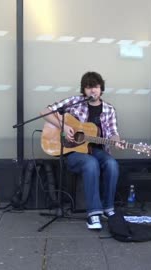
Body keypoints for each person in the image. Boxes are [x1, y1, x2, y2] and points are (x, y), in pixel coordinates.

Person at [41, 71, 124, 230]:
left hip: (96, 150)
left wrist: (117, 142)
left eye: (96, 87)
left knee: (112, 164)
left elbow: (113, 134)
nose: (93, 91)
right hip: (72, 152)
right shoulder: (74, 102)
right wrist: (63, 126)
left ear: (101, 88)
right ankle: (93, 214)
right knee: (90, 163)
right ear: (83, 90)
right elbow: (45, 112)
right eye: (88, 87)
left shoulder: (109, 109)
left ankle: (108, 208)